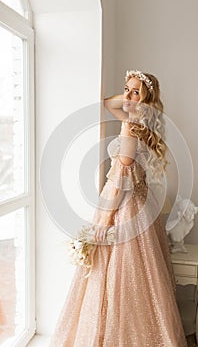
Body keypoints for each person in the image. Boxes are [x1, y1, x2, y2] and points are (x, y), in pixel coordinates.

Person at [49, 70, 188, 346]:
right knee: (142, 279)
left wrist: (104, 221)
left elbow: (120, 179)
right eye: (125, 88)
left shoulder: (129, 127)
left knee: (122, 278)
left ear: (146, 100)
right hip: (143, 206)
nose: (126, 95)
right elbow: (107, 102)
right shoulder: (144, 125)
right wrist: (133, 93)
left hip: (125, 208)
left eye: (135, 92)